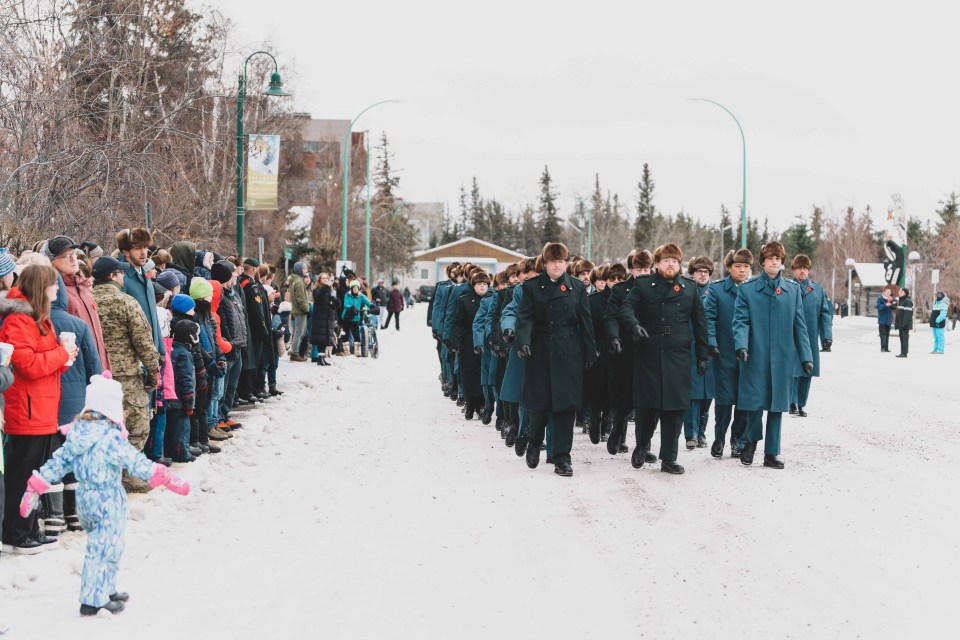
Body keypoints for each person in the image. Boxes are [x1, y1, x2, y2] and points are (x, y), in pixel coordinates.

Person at [18, 374, 188, 616]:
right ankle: (93, 599)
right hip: (107, 501)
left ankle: (105, 588)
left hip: (86, 500)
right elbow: (137, 462)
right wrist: (167, 478)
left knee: (104, 547)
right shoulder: (109, 439)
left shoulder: (77, 435)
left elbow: (56, 464)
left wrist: (35, 487)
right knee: (104, 549)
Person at [1, 264, 78, 554]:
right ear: (40, 287)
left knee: (34, 475)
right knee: (22, 475)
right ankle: (16, 533)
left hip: (42, 408)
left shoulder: (38, 318)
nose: (57, 289)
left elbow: (43, 362)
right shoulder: (18, 320)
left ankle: (30, 527)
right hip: (27, 409)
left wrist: (64, 357)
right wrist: (60, 354)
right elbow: (29, 366)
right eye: (53, 284)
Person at [618, 243, 709, 474]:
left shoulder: (689, 287)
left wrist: (702, 356)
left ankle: (669, 458)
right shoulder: (643, 285)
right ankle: (642, 444)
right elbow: (626, 309)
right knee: (647, 407)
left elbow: (701, 324)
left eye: (675, 261)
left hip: (678, 357)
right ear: (657, 263)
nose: (671, 264)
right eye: (666, 260)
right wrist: (634, 325)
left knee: (675, 409)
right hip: (649, 353)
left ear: (680, 265)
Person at [515, 243, 597, 477]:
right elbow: (525, 318)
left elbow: (585, 320)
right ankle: (534, 440)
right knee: (540, 403)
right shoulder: (532, 286)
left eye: (561, 261)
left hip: (568, 351)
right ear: (546, 263)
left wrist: (591, 350)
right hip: (540, 349)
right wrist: (523, 341)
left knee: (566, 407)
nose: (558, 266)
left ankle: (562, 458)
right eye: (553, 262)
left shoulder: (577, 287)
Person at [733, 241, 813, 469]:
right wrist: (741, 345)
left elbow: (800, 326)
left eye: (778, 258)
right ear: (762, 262)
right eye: (770, 258)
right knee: (754, 402)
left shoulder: (792, 290)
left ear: (782, 262)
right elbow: (740, 321)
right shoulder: (747, 289)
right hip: (755, 356)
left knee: (777, 406)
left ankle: (771, 453)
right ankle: (750, 442)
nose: (774, 262)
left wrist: (806, 357)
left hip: (782, 358)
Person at [90, 256, 160, 476]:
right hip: (126, 375)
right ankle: (127, 476)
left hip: (95, 375)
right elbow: (144, 342)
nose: (123, 277)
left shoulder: (87, 300)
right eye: (120, 273)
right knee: (136, 427)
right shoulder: (126, 302)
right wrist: (153, 373)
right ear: (112, 276)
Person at [50, 272, 104, 534]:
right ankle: (75, 513)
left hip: (46, 403)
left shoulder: (36, 323)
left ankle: (53, 516)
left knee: (50, 456)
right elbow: (95, 369)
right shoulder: (79, 325)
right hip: (75, 404)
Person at [603, 249, 653, 458]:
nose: (642, 273)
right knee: (624, 397)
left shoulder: (656, 288)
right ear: (631, 270)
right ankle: (617, 429)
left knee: (647, 401)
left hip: (649, 349)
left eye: (646, 269)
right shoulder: (620, 290)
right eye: (638, 269)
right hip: (626, 349)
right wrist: (614, 337)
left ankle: (643, 446)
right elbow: (611, 317)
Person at [704, 249, 752, 458]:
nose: (742, 270)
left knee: (744, 400)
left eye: (746, 267)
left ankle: (738, 440)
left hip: (748, 355)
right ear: (729, 268)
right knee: (724, 400)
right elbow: (709, 318)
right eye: (738, 266)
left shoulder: (753, 289)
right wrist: (712, 343)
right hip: (722, 353)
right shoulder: (717, 290)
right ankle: (719, 438)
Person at [50, 235, 111, 371]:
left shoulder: (84, 287)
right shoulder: (55, 293)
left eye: (74, 254)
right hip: (76, 369)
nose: (73, 259)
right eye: (66, 256)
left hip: (98, 366)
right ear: (52, 261)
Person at [789, 254, 833, 417]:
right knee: (793, 370)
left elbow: (825, 315)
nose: (802, 271)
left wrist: (827, 336)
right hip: (791, 337)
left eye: (805, 268)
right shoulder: (787, 288)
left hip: (810, 337)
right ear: (793, 270)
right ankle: (792, 402)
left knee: (807, 371)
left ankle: (801, 404)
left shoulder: (817, 290)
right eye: (799, 268)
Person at [684, 256, 716, 449]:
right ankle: (691, 434)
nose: (703, 275)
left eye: (706, 272)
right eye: (699, 271)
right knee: (692, 394)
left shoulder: (714, 293)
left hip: (710, 350)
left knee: (707, 395)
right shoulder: (686, 291)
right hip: (689, 348)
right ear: (693, 273)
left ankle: (702, 431)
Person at [451, 271, 491, 420]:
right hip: (468, 342)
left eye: (485, 284)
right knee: (468, 375)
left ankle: (481, 405)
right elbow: (458, 323)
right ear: (473, 285)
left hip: (486, 342)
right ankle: (470, 404)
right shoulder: (465, 300)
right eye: (479, 284)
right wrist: (455, 342)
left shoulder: (492, 299)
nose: (482, 286)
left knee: (482, 375)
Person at [310, 273, 338, 366]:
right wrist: (326, 287)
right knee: (320, 339)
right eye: (323, 278)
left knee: (325, 339)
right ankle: (319, 358)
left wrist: (335, 299)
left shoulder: (330, 290)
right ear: (319, 280)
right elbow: (319, 298)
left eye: (327, 278)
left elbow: (336, 304)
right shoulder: (316, 290)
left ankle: (322, 358)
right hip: (320, 318)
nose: (325, 279)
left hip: (328, 318)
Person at [341, 280, 373, 356]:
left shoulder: (361, 295)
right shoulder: (347, 295)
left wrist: (372, 306)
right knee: (345, 333)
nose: (355, 289)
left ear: (358, 288)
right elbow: (346, 304)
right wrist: (351, 307)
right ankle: (346, 350)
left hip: (355, 317)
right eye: (354, 288)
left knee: (356, 334)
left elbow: (367, 302)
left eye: (356, 288)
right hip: (347, 317)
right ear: (351, 288)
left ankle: (357, 351)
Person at [287, 262, 310, 361]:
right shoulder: (299, 282)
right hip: (300, 310)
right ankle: (295, 353)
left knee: (301, 332)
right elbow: (300, 298)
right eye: (304, 268)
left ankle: (296, 352)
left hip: (297, 310)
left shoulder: (295, 280)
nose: (306, 270)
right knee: (299, 332)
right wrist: (306, 309)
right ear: (299, 269)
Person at [876, 287, 896, 353]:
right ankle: (883, 348)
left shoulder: (891, 299)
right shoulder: (880, 298)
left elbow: (895, 302)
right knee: (883, 335)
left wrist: (894, 303)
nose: (889, 293)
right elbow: (879, 307)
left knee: (887, 335)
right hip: (882, 320)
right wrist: (885, 305)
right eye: (887, 292)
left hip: (889, 320)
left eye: (890, 292)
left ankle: (886, 348)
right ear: (884, 292)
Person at [895, 288, 913, 357]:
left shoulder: (907, 301)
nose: (899, 292)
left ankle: (904, 353)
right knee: (901, 338)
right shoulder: (901, 300)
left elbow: (908, 314)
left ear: (905, 293)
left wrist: (905, 324)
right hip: (900, 323)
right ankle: (902, 352)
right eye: (899, 291)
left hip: (905, 324)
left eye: (901, 291)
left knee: (905, 338)